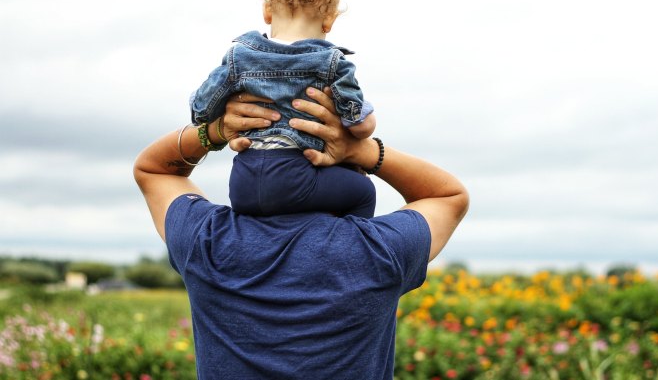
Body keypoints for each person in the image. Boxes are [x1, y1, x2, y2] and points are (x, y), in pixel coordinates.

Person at [133, 88, 469, 379]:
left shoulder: (208, 242)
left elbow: (154, 170)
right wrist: (362, 150)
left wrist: (216, 130)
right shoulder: (379, 251)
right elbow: (447, 196)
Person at [190, 0, 377, 218]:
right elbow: (358, 125)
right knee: (363, 190)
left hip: (243, 182)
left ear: (267, 11)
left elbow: (201, 110)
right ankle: (350, 249)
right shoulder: (332, 62)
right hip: (297, 177)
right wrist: (366, 120)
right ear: (329, 21)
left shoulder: (239, 56)